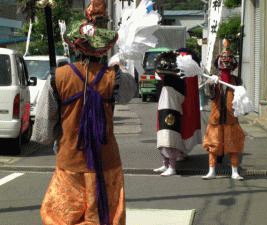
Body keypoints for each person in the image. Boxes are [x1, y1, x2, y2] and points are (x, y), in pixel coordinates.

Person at [31, 0, 137, 224]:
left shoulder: (58, 77)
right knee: (106, 216)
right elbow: (130, 92)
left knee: (63, 216)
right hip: (106, 160)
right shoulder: (115, 78)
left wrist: (54, 138)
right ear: (103, 48)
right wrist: (121, 67)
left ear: (75, 47)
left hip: (70, 159)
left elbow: (43, 126)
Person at [153, 49, 201, 176]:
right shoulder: (166, 78)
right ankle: (165, 163)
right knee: (162, 133)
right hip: (165, 104)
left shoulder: (180, 77)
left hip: (172, 105)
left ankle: (172, 166)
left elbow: (181, 94)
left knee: (170, 134)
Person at [202, 39, 245, 180]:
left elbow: (242, 99)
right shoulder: (214, 79)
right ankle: (211, 170)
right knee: (213, 145)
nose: (225, 60)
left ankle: (234, 171)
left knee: (233, 146)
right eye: (223, 57)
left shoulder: (237, 81)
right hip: (216, 118)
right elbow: (210, 96)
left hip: (232, 119)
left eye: (228, 58)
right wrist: (210, 84)